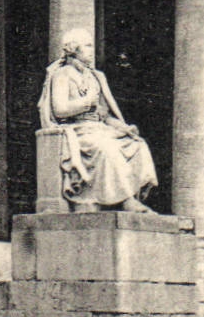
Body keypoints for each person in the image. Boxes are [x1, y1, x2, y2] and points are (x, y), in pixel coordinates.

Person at [38, 28, 158, 210]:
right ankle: (126, 200)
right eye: (87, 45)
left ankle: (130, 198)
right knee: (106, 147)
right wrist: (86, 102)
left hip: (100, 129)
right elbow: (60, 109)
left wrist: (125, 128)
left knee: (137, 145)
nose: (91, 50)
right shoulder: (62, 75)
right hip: (78, 131)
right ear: (73, 49)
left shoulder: (95, 77)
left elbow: (105, 116)